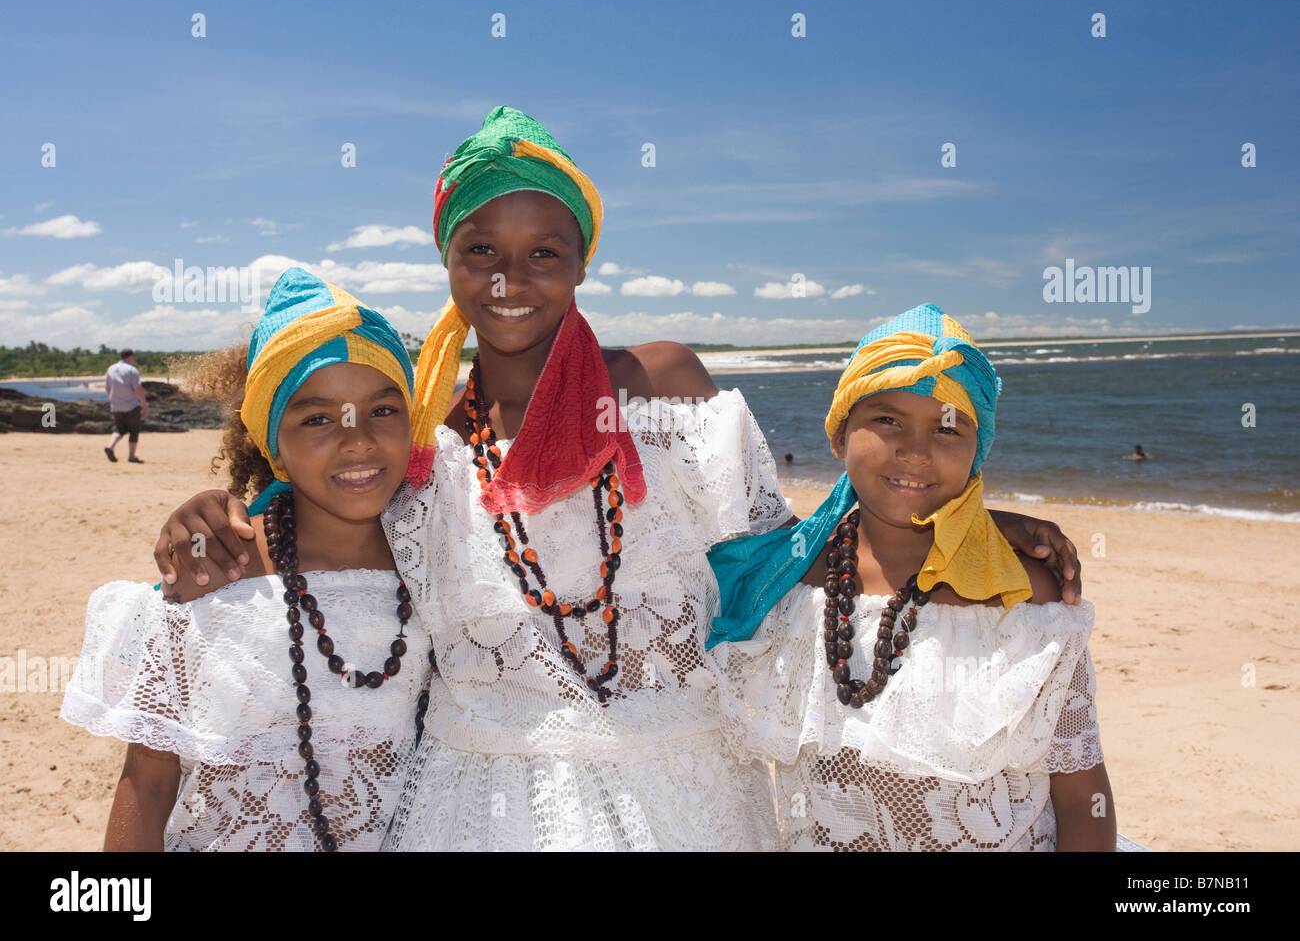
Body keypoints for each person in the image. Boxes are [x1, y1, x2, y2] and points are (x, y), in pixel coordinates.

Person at [150, 107, 1084, 850]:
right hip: (476, 805)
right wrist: (221, 516)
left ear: (582, 260)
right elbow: (327, 515)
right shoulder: (420, 433)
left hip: (691, 797)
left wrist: (958, 515)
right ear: (448, 261)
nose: (511, 277)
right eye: (482, 249)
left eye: (543, 252)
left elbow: (775, 557)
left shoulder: (664, 386)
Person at [708, 303, 1114, 851]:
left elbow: (1081, 795)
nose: (915, 450)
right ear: (838, 435)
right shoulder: (784, 580)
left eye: (949, 427)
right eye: (887, 419)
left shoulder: (1023, 597)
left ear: (976, 454)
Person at [60, 269, 433, 851]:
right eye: (316, 418)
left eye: (383, 410)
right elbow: (149, 783)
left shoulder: (435, 559)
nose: (357, 439)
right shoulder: (216, 568)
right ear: (270, 439)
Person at [104, 347, 147, 463]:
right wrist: (143, 404)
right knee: (133, 430)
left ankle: (110, 447)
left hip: (116, 405)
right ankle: (131, 456)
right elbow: (137, 388)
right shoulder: (132, 370)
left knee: (119, 429)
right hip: (131, 405)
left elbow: (107, 388)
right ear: (131, 356)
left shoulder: (111, 369)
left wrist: (113, 399)